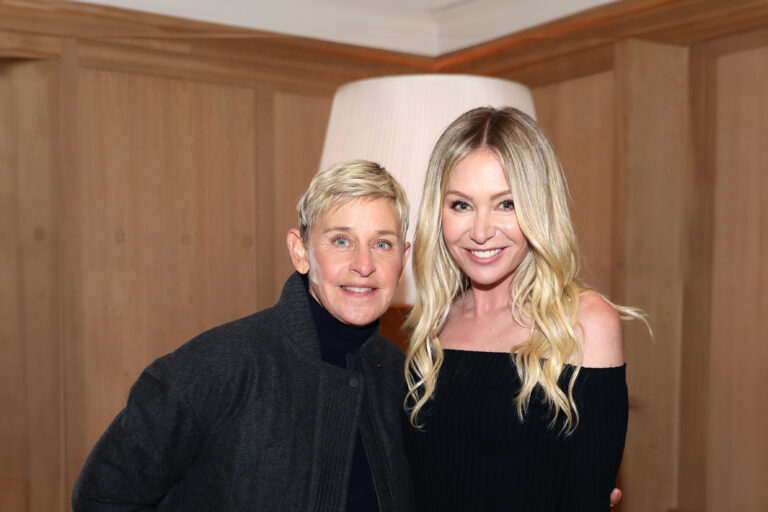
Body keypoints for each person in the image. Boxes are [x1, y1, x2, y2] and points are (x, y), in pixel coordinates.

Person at [72, 160, 415, 511]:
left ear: (403, 259)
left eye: (382, 244)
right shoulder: (216, 366)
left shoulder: (405, 380)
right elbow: (102, 497)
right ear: (301, 252)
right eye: (341, 240)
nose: (363, 264)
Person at [402, 107, 643, 511]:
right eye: (461, 205)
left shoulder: (584, 323)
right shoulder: (431, 323)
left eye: (506, 204)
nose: (480, 231)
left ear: (539, 208)